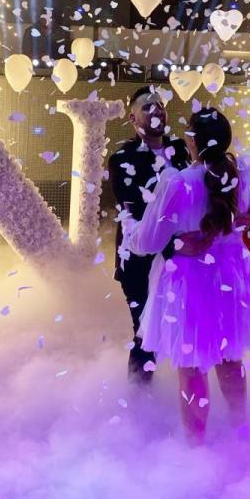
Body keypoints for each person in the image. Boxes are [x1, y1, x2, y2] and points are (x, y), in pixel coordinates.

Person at [123, 107, 250, 444]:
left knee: (191, 365)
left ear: (192, 141)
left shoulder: (177, 183)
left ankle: (196, 447)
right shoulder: (246, 173)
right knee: (230, 357)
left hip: (191, 279)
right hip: (232, 275)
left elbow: (147, 243)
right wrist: (240, 219)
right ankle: (240, 432)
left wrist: (130, 226)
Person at [108, 87, 191, 383]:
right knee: (144, 331)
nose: (156, 110)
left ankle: (186, 392)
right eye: (147, 107)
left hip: (182, 256)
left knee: (185, 326)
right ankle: (139, 395)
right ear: (133, 118)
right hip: (139, 257)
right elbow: (136, 207)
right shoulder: (122, 158)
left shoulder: (181, 149)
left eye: (160, 105)